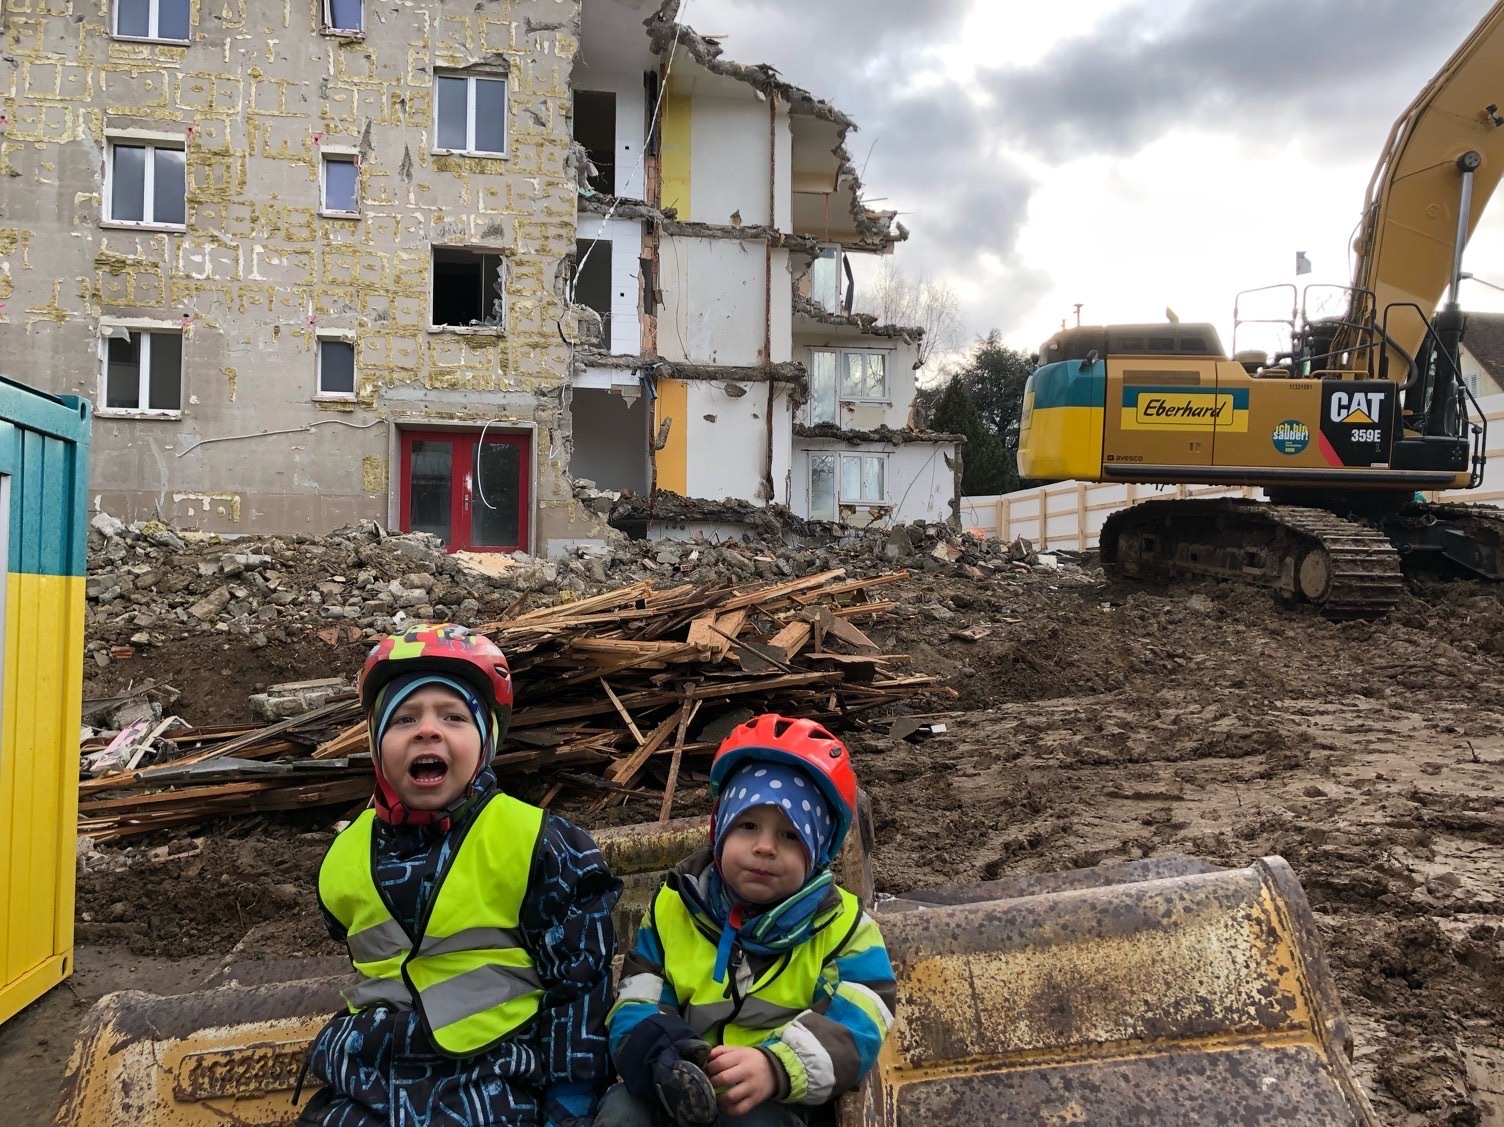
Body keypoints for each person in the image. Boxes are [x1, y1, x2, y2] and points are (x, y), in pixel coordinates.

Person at [297, 623, 622, 1127]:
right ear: (377, 746)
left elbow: (580, 984)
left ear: (486, 742)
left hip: (491, 1077)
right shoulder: (345, 854)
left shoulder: (541, 844)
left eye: (453, 716)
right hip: (369, 1072)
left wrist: (572, 1097)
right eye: (404, 719)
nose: (428, 730)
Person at [600, 714, 895, 1127]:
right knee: (621, 1110)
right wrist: (662, 1056)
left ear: (819, 851)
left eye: (790, 835)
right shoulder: (674, 906)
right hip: (678, 1086)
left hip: (778, 1100)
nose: (764, 847)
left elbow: (862, 1021)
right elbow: (636, 999)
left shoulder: (844, 928)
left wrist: (775, 1067)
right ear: (718, 829)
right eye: (748, 825)